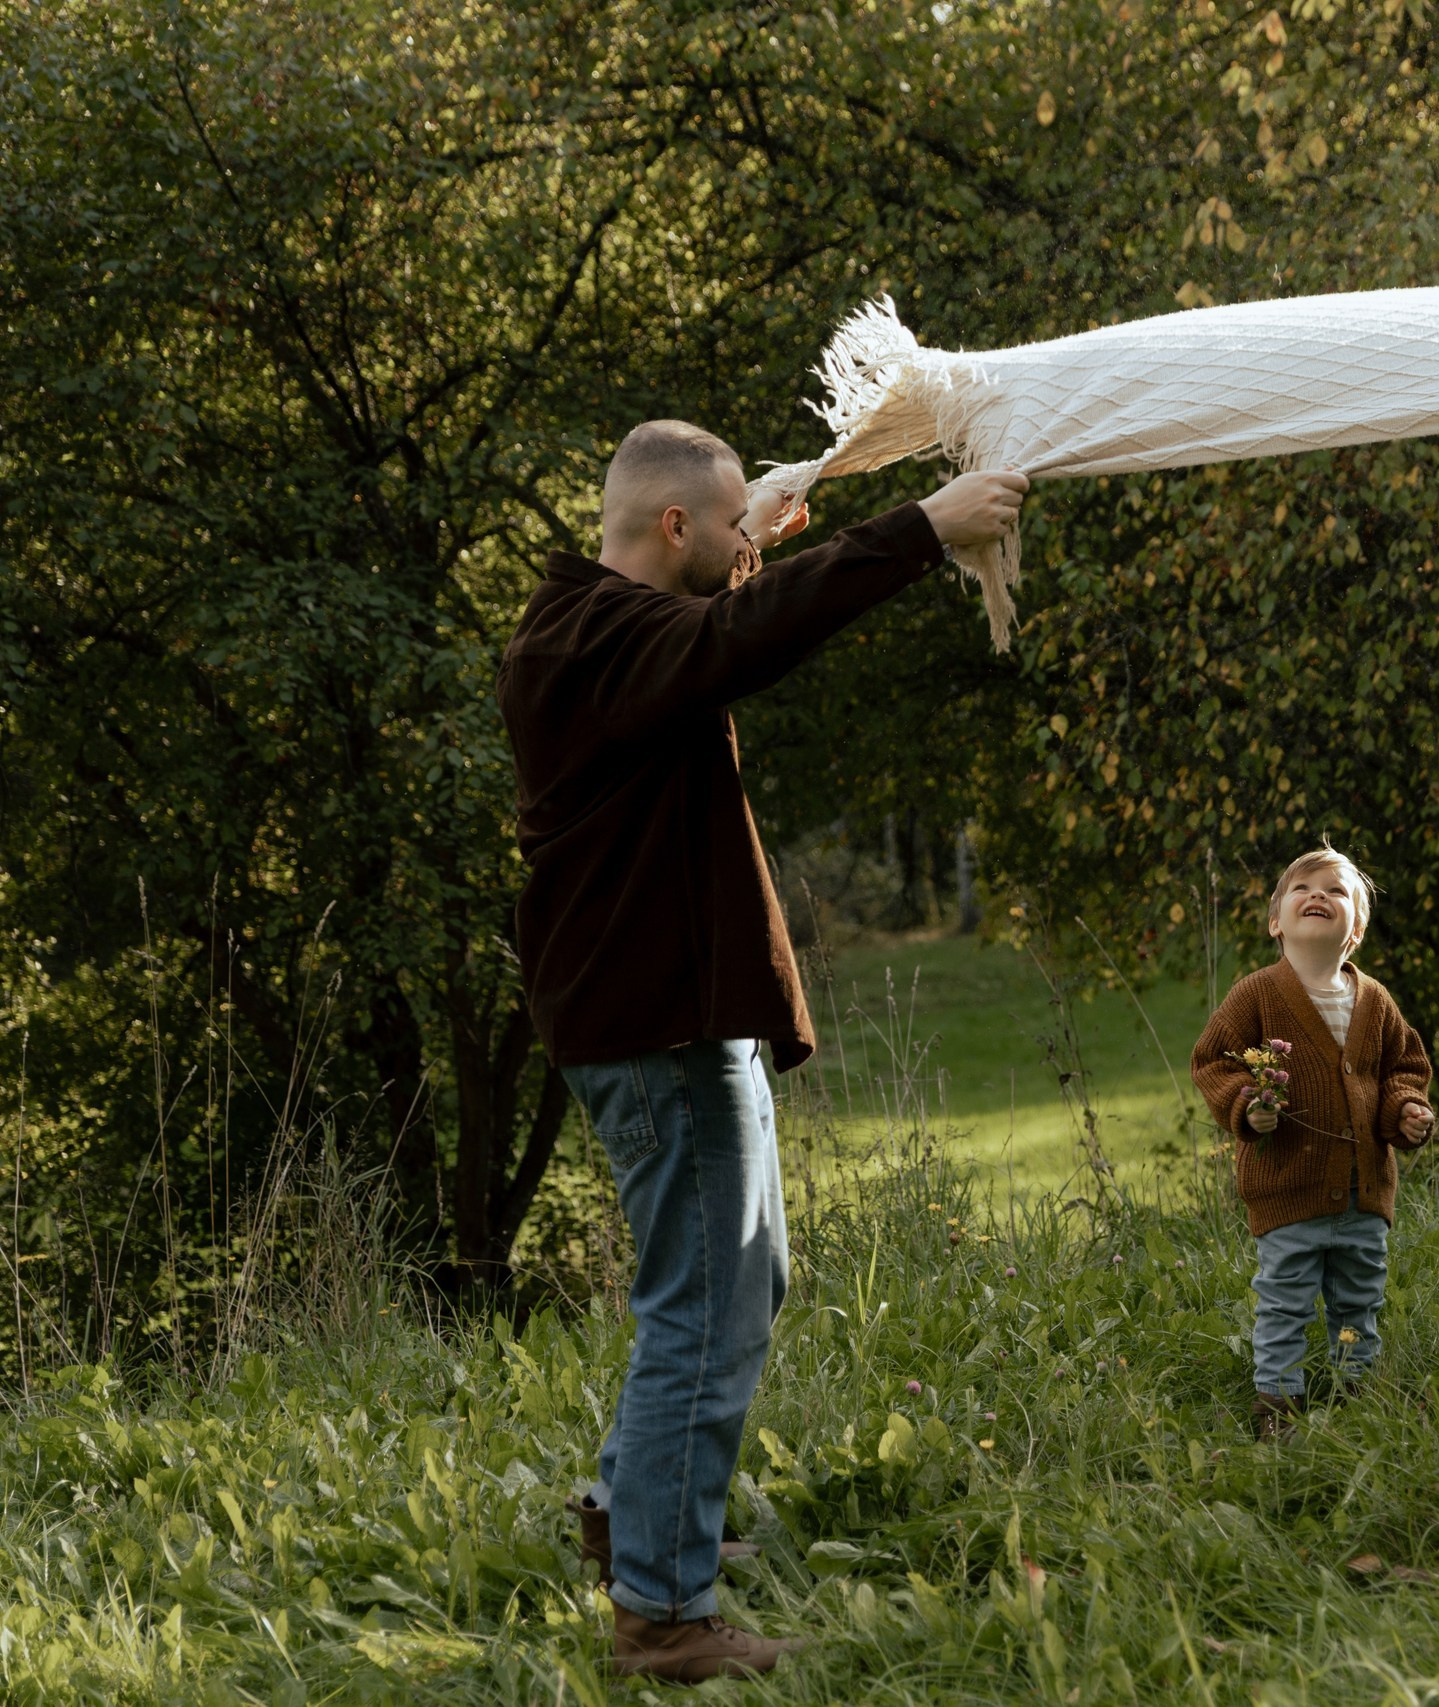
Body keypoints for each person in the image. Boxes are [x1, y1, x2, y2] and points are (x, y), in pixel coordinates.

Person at [498, 420, 1026, 1681]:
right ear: (673, 526)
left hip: (665, 1017)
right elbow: (732, 639)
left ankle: (642, 1521)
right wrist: (917, 532)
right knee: (708, 1305)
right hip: (662, 1024)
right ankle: (663, 1615)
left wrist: (775, 527)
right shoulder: (604, 643)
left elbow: (717, 615)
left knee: (741, 1282)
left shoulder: (594, 631)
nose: (744, 549)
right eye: (727, 526)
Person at [1190, 847, 1436, 1439]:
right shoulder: (1257, 995)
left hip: (1363, 1193)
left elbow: (1404, 1067)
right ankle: (1279, 1409)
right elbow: (1212, 1061)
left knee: (1358, 1303)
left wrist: (1405, 1110)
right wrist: (1247, 1106)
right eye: (1302, 888)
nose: (1318, 896)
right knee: (1285, 1303)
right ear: (1277, 920)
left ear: (1356, 930)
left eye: (1336, 891)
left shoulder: (1375, 1002)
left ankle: (1355, 1395)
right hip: (1287, 1190)